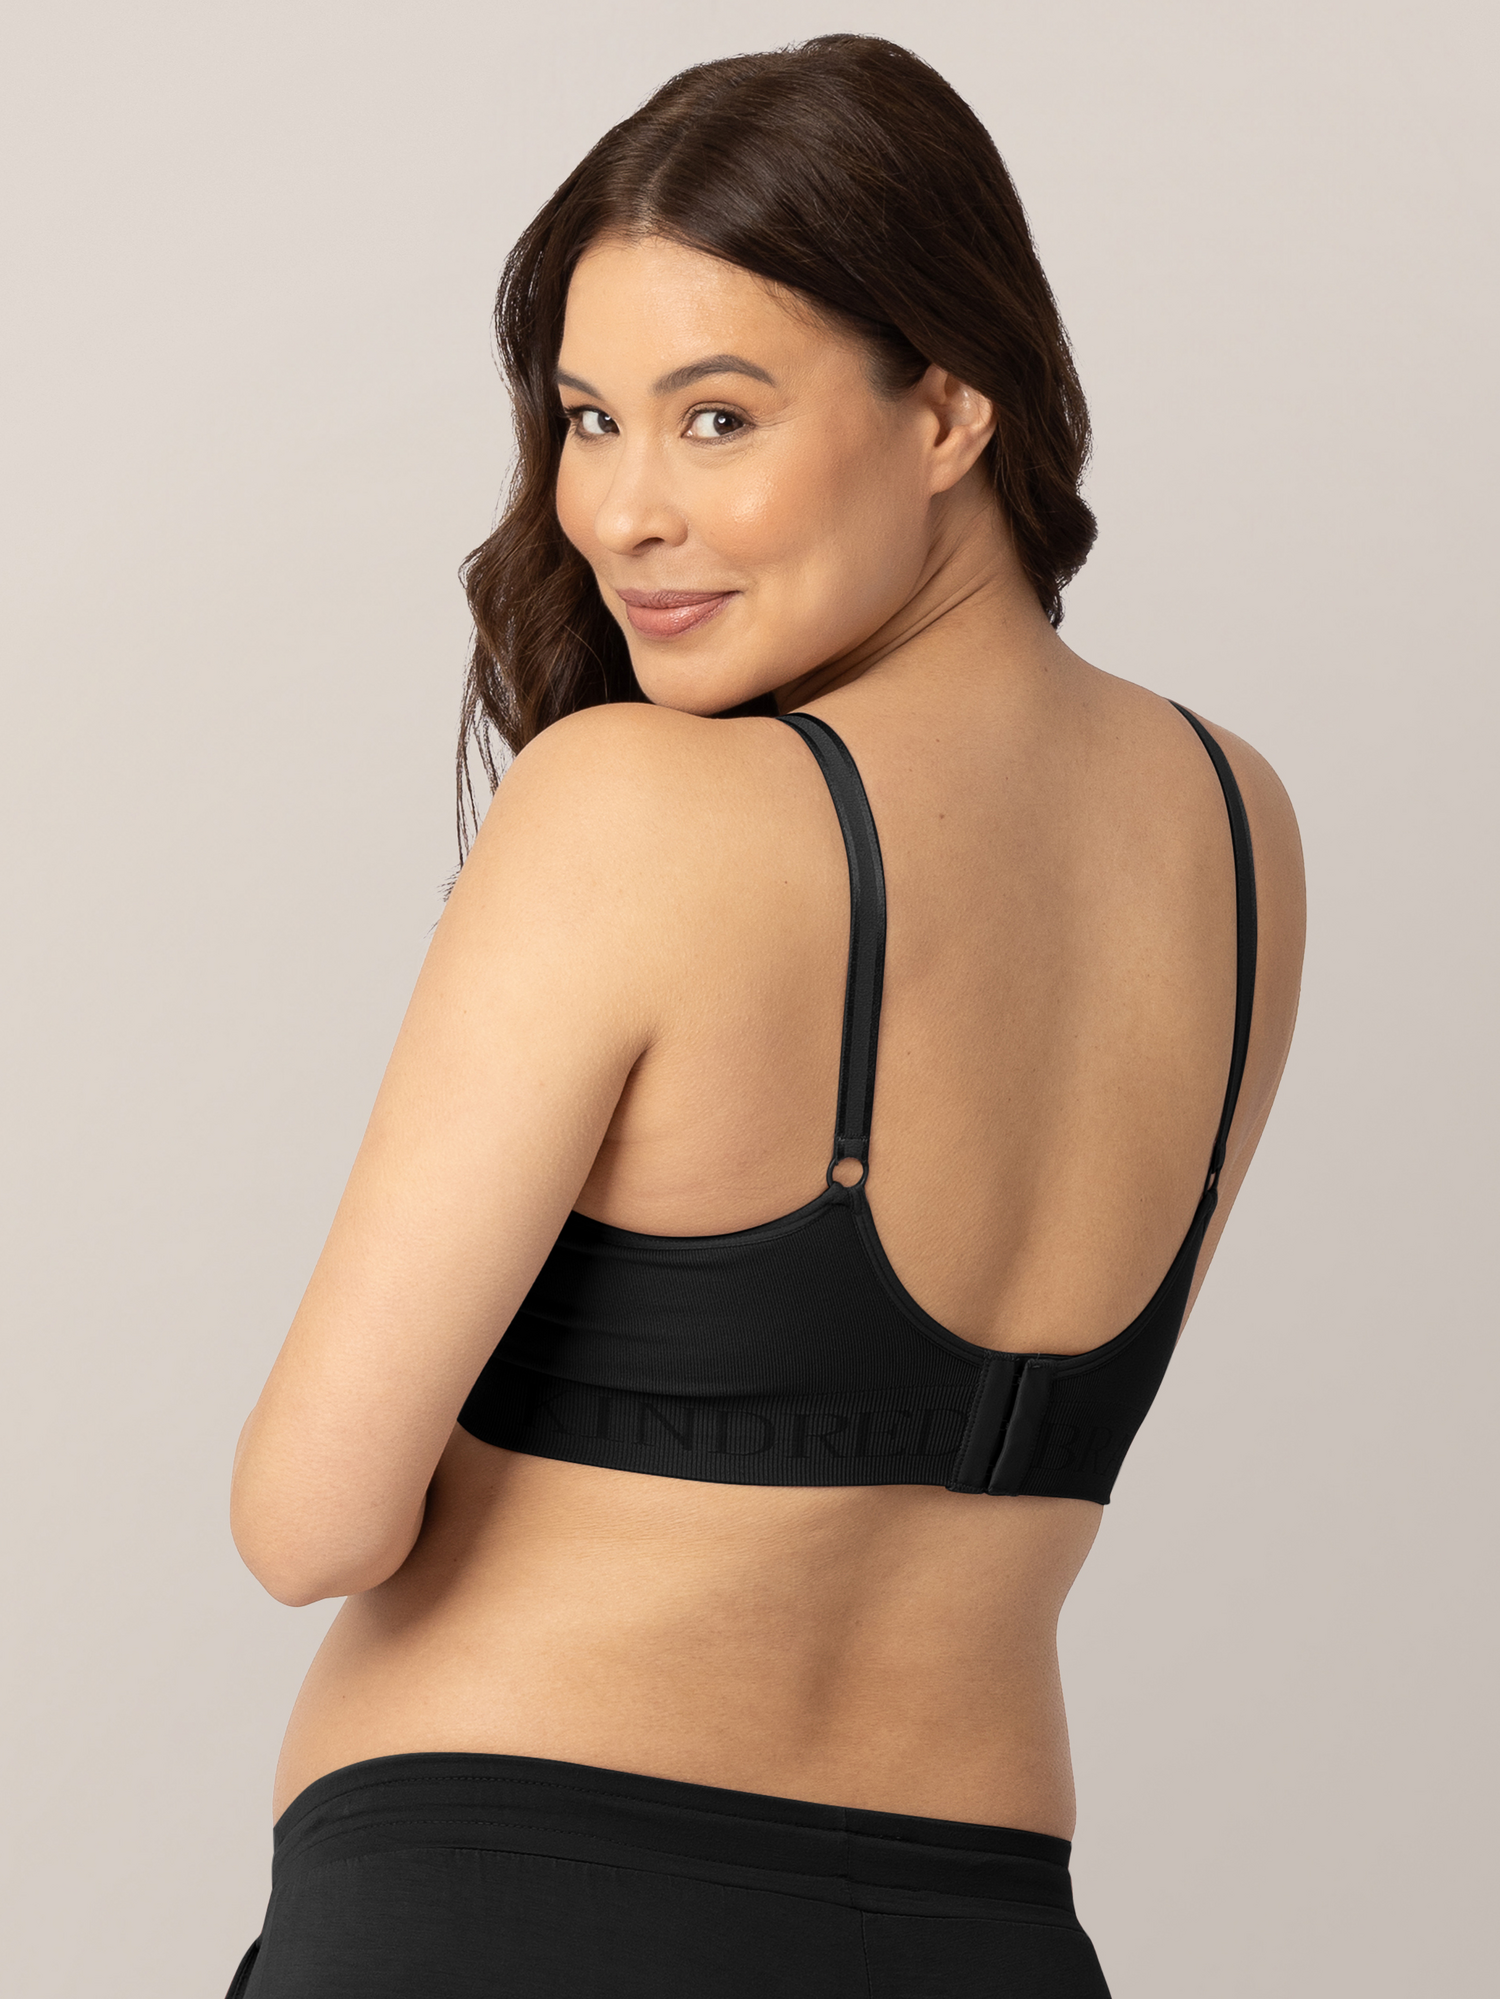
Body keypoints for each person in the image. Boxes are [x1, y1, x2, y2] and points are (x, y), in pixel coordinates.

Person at [226, 34, 1305, 1998]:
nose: (621, 511)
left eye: (716, 418)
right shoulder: (1239, 829)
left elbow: (313, 1520)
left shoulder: (640, 808)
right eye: (589, 420)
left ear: (949, 409)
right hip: (983, 1920)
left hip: (504, 1903)